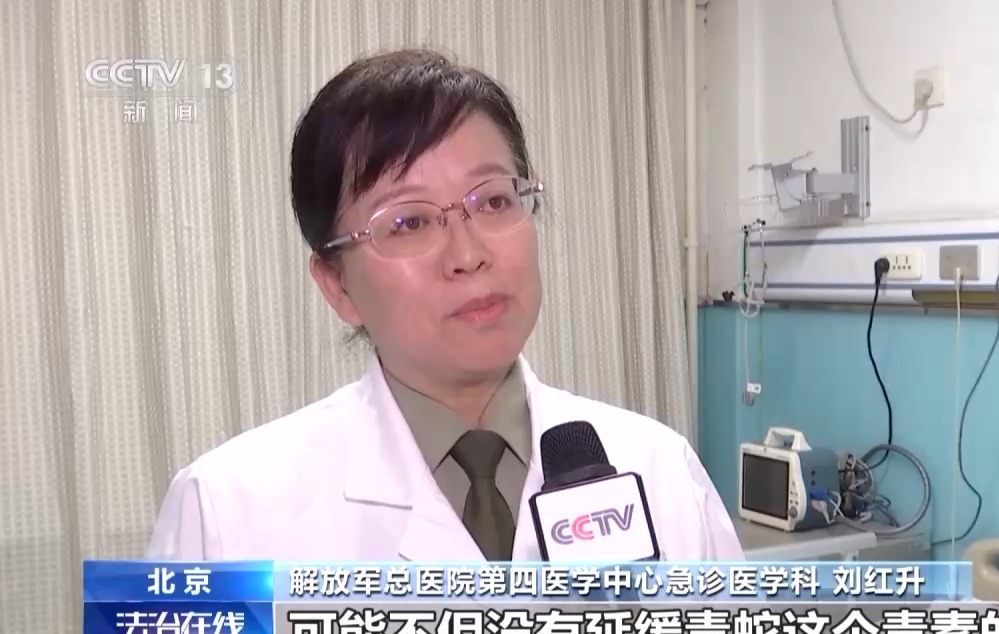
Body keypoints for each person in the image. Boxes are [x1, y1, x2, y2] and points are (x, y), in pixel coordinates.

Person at [146, 49, 744, 563]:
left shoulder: (662, 472)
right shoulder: (224, 515)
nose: (468, 254)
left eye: (493, 201)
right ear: (337, 285)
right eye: (408, 221)